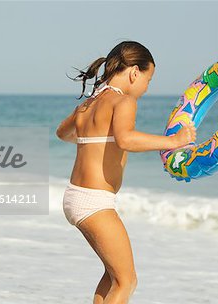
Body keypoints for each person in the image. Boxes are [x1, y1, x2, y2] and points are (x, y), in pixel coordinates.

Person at [55, 40, 196, 304]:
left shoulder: (90, 103)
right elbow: (126, 140)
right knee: (127, 280)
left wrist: (92, 140)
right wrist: (174, 141)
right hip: (94, 202)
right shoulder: (124, 101)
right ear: (134, 72)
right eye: (148, 79)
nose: (146, 87)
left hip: (76, 197)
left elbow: (62, 133)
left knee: (112, 276)